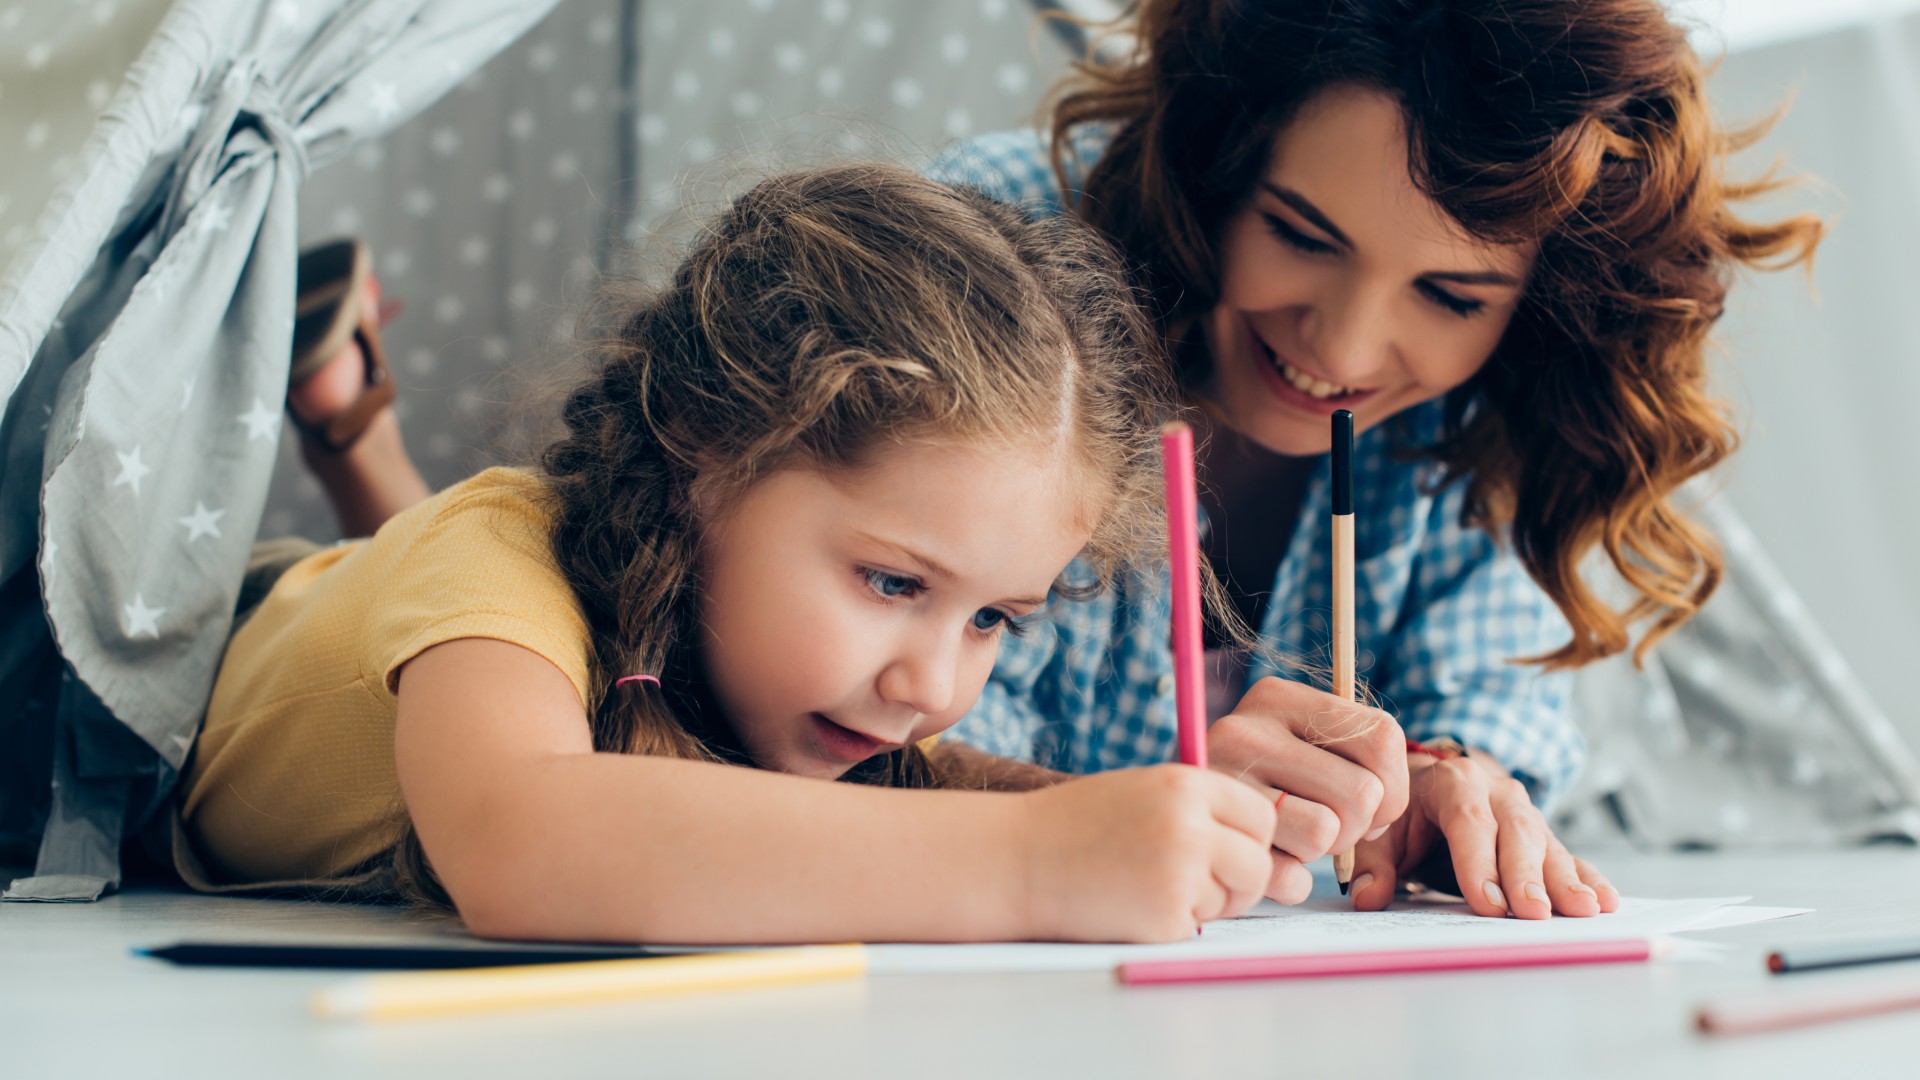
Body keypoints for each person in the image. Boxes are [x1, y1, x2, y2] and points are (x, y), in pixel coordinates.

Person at [168, 163, 1290, 944]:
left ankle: (347, 422)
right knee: (446, 569)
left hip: (380, 621)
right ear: (705, 447)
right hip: (122, 690)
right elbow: (521, 841)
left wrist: (1172, 833)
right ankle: (350, 426)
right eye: (893, 583)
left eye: (994, 618)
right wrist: (1041, 861)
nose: (935, 685)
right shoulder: (496, 548)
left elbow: (923, 798)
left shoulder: (777, 686)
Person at [930, 0, 1823, 918]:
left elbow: (1487, 694)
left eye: (1449, 295)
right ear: (1216, 158)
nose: (1346, 351)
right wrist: (1090, 815)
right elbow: (836, 729)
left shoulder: (1493, 407)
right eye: (1303, 237)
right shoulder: (997, 249)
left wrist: (1446, 780)